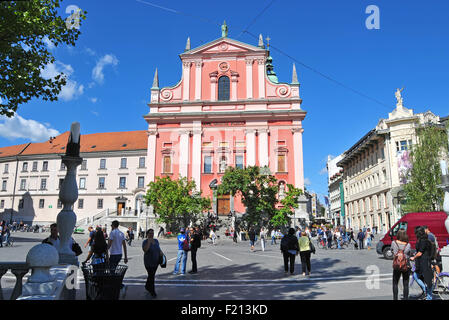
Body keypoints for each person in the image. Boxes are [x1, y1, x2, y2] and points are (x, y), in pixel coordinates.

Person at [410, 226, 434, 300]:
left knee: (427, 280)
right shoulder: (424, 240)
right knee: (417, 276)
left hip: (424, 262)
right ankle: (426, 290)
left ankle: (429, 296)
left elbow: (420, 253)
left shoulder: (423, 241)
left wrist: (413, 257)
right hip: (422, 262)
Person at [391, 229, 411, 300]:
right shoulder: (408, 244)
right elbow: (409, 254)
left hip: (396, 265)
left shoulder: (394, 243)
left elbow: (392, 251)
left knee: (395, 283)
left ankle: (395, 298)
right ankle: (406, 298)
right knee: (406, 284)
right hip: (405, 265)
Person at [142, 229, 161, 298]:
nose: (151, 235)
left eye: (152, 233)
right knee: (151, 276)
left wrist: (162, 257)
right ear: (147, 234)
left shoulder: (156, 241)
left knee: (151, 276)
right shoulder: (145, 242)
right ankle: (152, 291)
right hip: (148, 262)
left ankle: (147, 286)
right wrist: (149, 242)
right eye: (150, 233)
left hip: (156, 262)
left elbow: (158, 249)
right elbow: (145, 250)